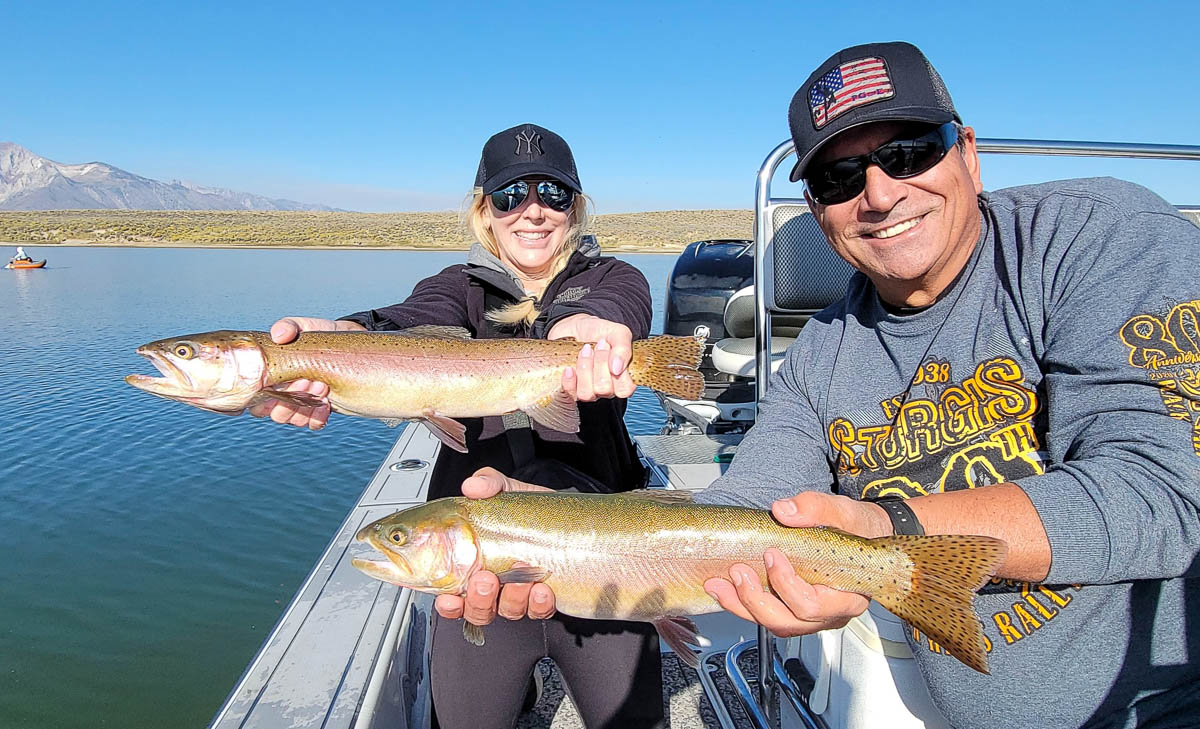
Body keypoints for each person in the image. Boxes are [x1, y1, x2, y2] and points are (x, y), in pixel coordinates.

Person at [444, 43, 1200, 729]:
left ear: (967, 153)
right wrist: (546, 532)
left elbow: (1164, 493)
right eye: (840, 176)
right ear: (816, 209)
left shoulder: (1093, 237)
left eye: (908, 152)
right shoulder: (821, 355)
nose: (878, 193)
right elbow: (745, 510)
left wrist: (886, 535)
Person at [252, 123, 665, 729]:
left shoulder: (613, 279)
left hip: (600, 540)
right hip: (473, 556)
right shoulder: (457, 288)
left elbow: (614, 309)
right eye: (510, 196)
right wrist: (343, 341)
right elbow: (406, 320)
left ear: (574, 208)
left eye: (552, 194)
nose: (533, 212)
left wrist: (596, 331)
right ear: (484, 211)